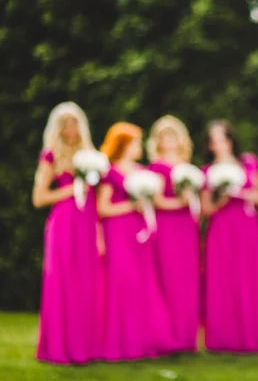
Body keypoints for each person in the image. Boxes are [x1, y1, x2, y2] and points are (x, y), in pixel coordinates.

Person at [33, 102, 103, 364]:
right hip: (63, 225)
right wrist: (72, 189)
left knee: (86, 285)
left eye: (74, 123)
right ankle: (59, 348)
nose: (70, 129)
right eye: (65, 124)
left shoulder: (90, 155)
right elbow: (39, 198)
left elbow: (95, 201)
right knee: (62, 283)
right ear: (57, 128)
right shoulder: (50, 156)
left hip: (86, 226)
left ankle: (84, 347)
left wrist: (98, 234)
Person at [98, 122, 173, 360]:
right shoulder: (110, 172)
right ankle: (120, 343)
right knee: (123, 283)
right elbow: (103, 208)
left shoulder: (142, 172)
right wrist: (132, 205)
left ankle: (143, 341)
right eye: (135, 142)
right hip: (118, 232)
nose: (139, 146)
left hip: (140, 233)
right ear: (124, 145)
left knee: (144, 283)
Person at [201, 120, 258, 352]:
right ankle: (223, 338)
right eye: (214, 140)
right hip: (221, 227)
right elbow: (206, 209)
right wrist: (221, 196)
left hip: (245, 226)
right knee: (222, 276)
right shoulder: (207, 171)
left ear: (231, 140)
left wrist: (238, 191)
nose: (220, 144)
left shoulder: (248, 163)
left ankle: (251, 337)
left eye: (223, 138)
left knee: (247, 276)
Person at [147, 115, 200, 353]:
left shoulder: (187, 165)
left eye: (172, 135)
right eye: (164, 136)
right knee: (170, 275)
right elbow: (157, 201)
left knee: (188, 277)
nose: (169, 140)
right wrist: (181, 202)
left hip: (187, 227)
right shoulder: (157, 166)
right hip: (168, 226)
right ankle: (170, 336)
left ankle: (187, 336)